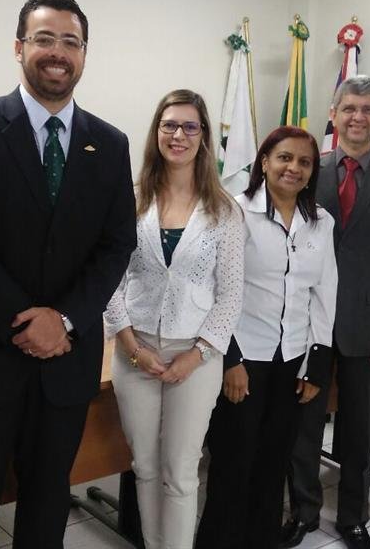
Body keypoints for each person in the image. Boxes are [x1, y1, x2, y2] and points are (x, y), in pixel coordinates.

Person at [0, 0, 136, 549]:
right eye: (44, 39)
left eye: (71, 41)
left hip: (64, 368)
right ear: (19, 47)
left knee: (47, 507)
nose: (57, 52)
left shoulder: (110, 144)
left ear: (84, 55)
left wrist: (64, 319)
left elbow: (117, 246)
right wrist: (27, 320)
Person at [284, 76, 370, 549]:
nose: (357, 117)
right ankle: (302, 511)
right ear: (334, 113)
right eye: (349, 108)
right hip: (306, 328)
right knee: (302, 428)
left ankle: (352, 518)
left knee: (360, 434)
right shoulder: (305, 172)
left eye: (368, 109)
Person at [103, 89, 245, 549]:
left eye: (189, 126)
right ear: (157, 133)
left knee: (180, 473)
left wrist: (198, 355)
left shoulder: (224, 210)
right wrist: (130, 345)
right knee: (144, 466)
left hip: (195, 357)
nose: (178, 135)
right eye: (169, 125)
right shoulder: (132, 199)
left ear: (204, 137)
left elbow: (229, 296)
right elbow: (111, 280)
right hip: (134, 352)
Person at [194, 126, 337, 549]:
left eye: (304, 162)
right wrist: (230, 360)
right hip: (243, 359)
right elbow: (215, 291)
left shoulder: (320, 222)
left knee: (274, 464)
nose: (294, 167)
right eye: (284, 158)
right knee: (232, 465)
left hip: (294, 360)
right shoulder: (232, 213)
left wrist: (317, 365)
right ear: (264, 162)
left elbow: (325, 295)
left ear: (312, 172)